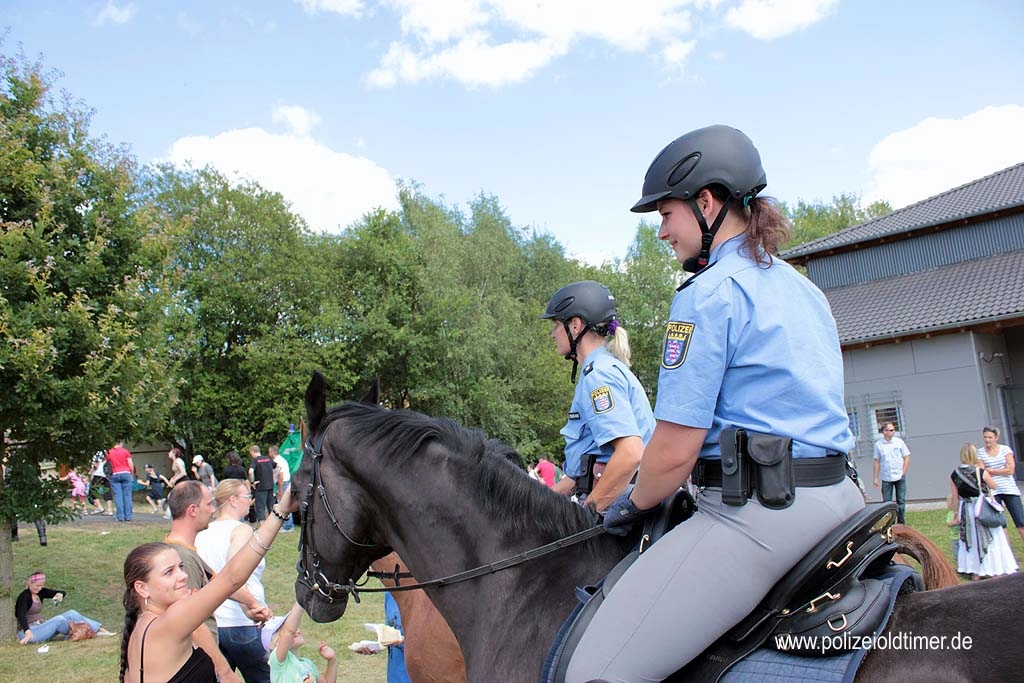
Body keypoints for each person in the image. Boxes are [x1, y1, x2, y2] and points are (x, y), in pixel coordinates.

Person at [566, 125, 863, 681]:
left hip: (761, 514)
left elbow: (675, 452)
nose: (661, 233)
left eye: (665, 216)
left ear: (706, 203)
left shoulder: (707, 294)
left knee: (591, 672)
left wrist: (628, 504)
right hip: (843, 496)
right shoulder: (805, 289)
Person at [118, 487, 296, 683]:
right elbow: (231, 578)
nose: (183, 576)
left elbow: (219, 580)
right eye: (169, 572)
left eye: (181, 567)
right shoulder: (169, 622)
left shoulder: (141, 627)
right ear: (142, 588)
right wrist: (280, 511)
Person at [539, 280, 656, 511]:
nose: (552, 334)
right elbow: (575, 477)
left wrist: (587, 516)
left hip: (611, 506)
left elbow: (631, 453)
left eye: (555, 325)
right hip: (602, 495)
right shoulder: (603, 369)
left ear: (575, 325)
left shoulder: (599, 375)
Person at [196, 480, 272, 683]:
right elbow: (235, 569)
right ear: (232, 500)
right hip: (243, 623)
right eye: (247, 497)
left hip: (212, 624)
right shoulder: (241, 530)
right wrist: (250, 604)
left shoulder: (202, 533)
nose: (251, 502)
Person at [950, 443, 1018, 580]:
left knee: (971, 538)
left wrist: (957, 514)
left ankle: (974, 570)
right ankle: (994, 567)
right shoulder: (980, 472)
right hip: (981, 508)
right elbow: (993, 485)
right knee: (991, 537)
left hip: (966, 509)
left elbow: (955, 497)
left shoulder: (954, 474)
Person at [16, 571, 115, 643]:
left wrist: (60, 595)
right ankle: (85, 632)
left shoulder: (41, 592)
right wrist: (27, 632)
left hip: (42, 626)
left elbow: (61, 592)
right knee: (59, 620)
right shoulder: (24, 597)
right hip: (30, 632)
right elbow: (20, 615)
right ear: (30, 583)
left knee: (71, 613)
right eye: (37, 586)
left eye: (41, 586)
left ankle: (99, 630)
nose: (39, 588)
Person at [264, 602, 338, 683]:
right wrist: (300, 601)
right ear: (273, 645)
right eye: (283, 629)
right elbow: (289, 632)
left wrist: (332, 660)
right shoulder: (277, 662)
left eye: (296, 627)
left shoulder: (307, 663)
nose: (296, 630)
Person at [978, 426, 1024, 543]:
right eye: (985, 437)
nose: (987, 440)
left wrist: (992, 471)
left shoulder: (1005, 450)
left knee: (1020, 521)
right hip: (993, 491)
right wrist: (1001, 469)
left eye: (990, 437)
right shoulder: (980, 452)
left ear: (996, 437)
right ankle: (1007, 554)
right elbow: (982, 472)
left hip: (1009, 489)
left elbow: (1011, 470)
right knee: (1000, 524)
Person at [872, 422, 911, 523]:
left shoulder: (899, 442)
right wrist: (875, 478)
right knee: (887, 503)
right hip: (886, 477)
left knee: (901, 501)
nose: (893, 432)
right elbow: (877, 461)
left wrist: (903, 471)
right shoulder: (878, 445)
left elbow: (907, 457)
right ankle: (890, 523)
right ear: (884, 432)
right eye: (891, 430)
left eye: (894, 430)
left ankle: (901, 522)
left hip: (899, 476)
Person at [107, 440, 136, 522]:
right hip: (126, 473)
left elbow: (106, 464)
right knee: (127, 495)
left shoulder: (109, 452)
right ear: (120, 443)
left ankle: (120, 516)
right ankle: (128, 516)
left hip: (114, 473)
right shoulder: (125, 451)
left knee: (118, 496)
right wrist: (131, 474)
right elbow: (130, 463)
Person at [248, 445, 276, 522]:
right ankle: (273, 524)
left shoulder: (255, 460)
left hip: (261, 487)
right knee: (271, 507)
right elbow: (278, 467)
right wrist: (273, 477)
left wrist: (252, 482)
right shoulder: (268, 459)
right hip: (270, 486)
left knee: (260, 508)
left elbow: (250, 472)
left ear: (253, 451)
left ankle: (262, 526)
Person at [270, 445, 294, 531]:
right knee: (285, 503)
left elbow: (281, 476)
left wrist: (279, 489)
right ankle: (286, 525)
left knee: (284, 504)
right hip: (286, 482)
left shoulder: (277, 461)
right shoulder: (283, 459)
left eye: (269, 452)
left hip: (283, 483)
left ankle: (288, 526)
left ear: (272, 452)